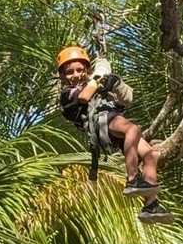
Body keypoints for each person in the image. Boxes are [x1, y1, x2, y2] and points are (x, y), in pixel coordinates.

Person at [57, 45, 174, 225]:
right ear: (63, 76)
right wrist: (100, 76)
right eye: (70, 72)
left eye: (80, 70)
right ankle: (132, 179)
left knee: (151, 154)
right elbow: (84, 97)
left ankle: (150, 205)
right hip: (100, 122)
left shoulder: (99, 89)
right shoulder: (68, 93)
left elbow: (124, 101)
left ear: (87, 70)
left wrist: (116, 84)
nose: (76, 75)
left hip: (112, 120)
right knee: (133, 129)